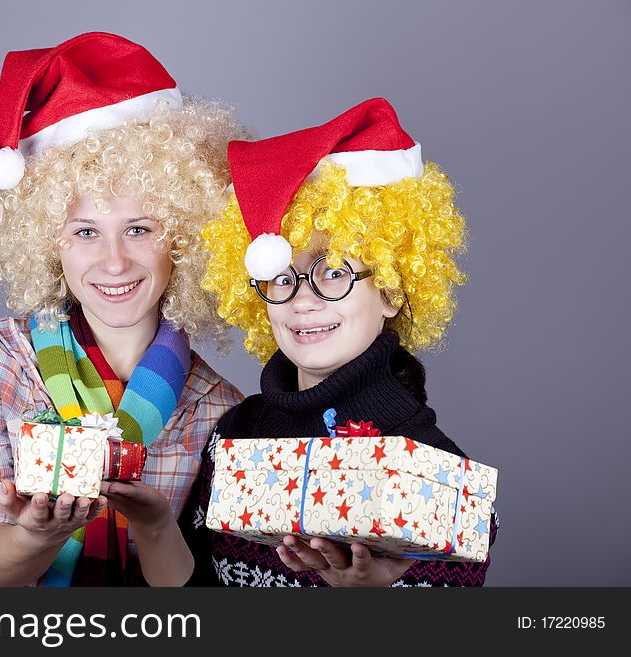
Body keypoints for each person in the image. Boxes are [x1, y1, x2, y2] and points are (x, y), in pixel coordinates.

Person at [0, 32, 246, 587]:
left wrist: (154, 526)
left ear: (182, 237)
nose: (114, 261)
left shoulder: (220, 409)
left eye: (139, 229)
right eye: (85, 232)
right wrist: (39, 531)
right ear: (46, 241)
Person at [182, 98, 498, 587]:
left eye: (334, 272)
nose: (303, 300)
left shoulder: (437, 477)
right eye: (281, 276)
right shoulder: (232, 433)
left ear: (392, 288)